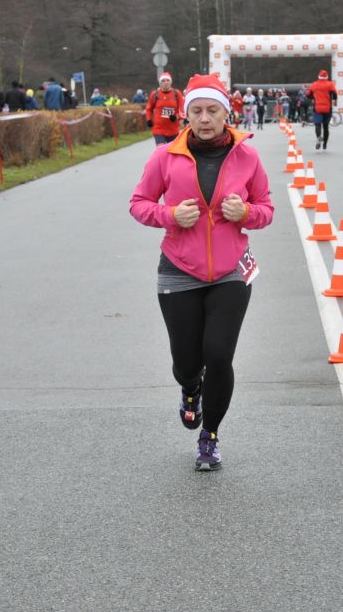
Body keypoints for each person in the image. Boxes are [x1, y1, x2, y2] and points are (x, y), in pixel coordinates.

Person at [129, 73, 274, 472]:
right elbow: (139, 203)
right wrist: (170, 215)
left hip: (231, 271)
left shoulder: (247, 157)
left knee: (220, 355)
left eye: (212, 110)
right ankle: (190, 387)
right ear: (186, 115)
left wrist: (246, 212)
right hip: (179, 270)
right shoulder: (165, 157)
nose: (205, 118)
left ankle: (209, 436)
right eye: (197, 111)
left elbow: (266, 209)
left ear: (227, 113)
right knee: (186, 361)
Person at [145, 72, 184, 145]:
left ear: (171, 82)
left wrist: (176, 117)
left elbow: (183, 110)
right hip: (159, 129)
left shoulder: (177, 93)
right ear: (160, 83)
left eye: (167, 80)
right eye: (163, 81)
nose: (165, 82)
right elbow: (149, 108)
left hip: (173, 130)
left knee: (172, 150)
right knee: (160, 148)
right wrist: (149, 119)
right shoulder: (155, 94)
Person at [306, 69, 338, 149]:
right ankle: (325, 144)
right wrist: (334, 100)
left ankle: (319, 137)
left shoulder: (314, 84)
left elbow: (308, 94)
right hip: (327, 108)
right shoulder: (330, 84)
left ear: (319, 76)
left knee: (317, 124)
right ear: (327, 76)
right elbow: (334, 94)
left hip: (317, 108)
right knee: (326, 126)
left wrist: (313, 97)